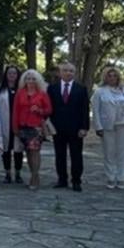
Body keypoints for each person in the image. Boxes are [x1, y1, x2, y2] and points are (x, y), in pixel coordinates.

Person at [91, 65, 124, 190]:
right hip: (107, 126)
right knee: (109, 152)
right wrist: (98, 126)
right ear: (105, 77)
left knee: (122, 152)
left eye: (114, 75)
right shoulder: (100, 91)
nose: (112, 78)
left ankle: (121, 177)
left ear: (118, 76)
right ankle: (111, 177)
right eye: (109, 75)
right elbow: (96, 110)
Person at [47, 62, 91, 192]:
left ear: (74, 73)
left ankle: (76, 181)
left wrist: (84, 127)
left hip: (76, 129)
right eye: (65, 70)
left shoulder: (81, 89)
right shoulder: (52, 88)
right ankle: (62, 179)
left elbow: (84, 110)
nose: (68, 73)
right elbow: (49, 109)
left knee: (76, 155)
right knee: (59, 155)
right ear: (60, 73)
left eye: (71, 71)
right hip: (58, 128)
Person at [13, 69, 52, 190]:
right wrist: (15, 127)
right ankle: (33, 174)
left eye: (33, 79)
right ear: (24, 80)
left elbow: (49, 110)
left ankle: (35, 177)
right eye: (28, 79)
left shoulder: (42, 93)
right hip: (23, 127)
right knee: (28, 152)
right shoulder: (20, 93)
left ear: (38, 80)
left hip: (36, 128)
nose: (30, 81)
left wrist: (39, 110)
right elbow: (15, 111)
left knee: (35, 151)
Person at [0, 65, 24, 183]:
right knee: (6, 149)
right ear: (6, 75)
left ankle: (18, 173)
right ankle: (7, 173)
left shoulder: (22, 89)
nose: (12, 76)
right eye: (9, 73)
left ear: (18, 75)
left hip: (19, 123)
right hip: (4, 122)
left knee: (19, 150)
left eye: (14, 73)